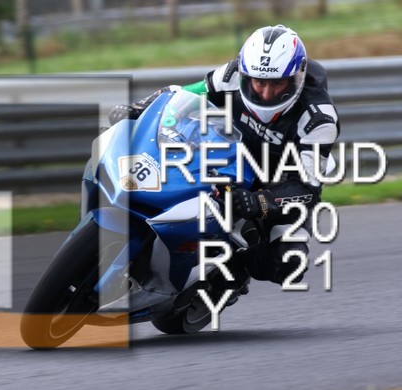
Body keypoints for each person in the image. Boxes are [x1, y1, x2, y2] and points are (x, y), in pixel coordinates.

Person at [109, 25, 340, 286]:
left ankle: (231, 269)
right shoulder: (232, 74)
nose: (266, 93)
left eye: (277, 84)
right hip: (228, 157)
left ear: (297, 77)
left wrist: (260, 201)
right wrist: (140, 107)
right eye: (259, 82)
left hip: (278, 181)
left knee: (289, 262)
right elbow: (185, 94)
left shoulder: (319, 119)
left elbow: (308, 189)